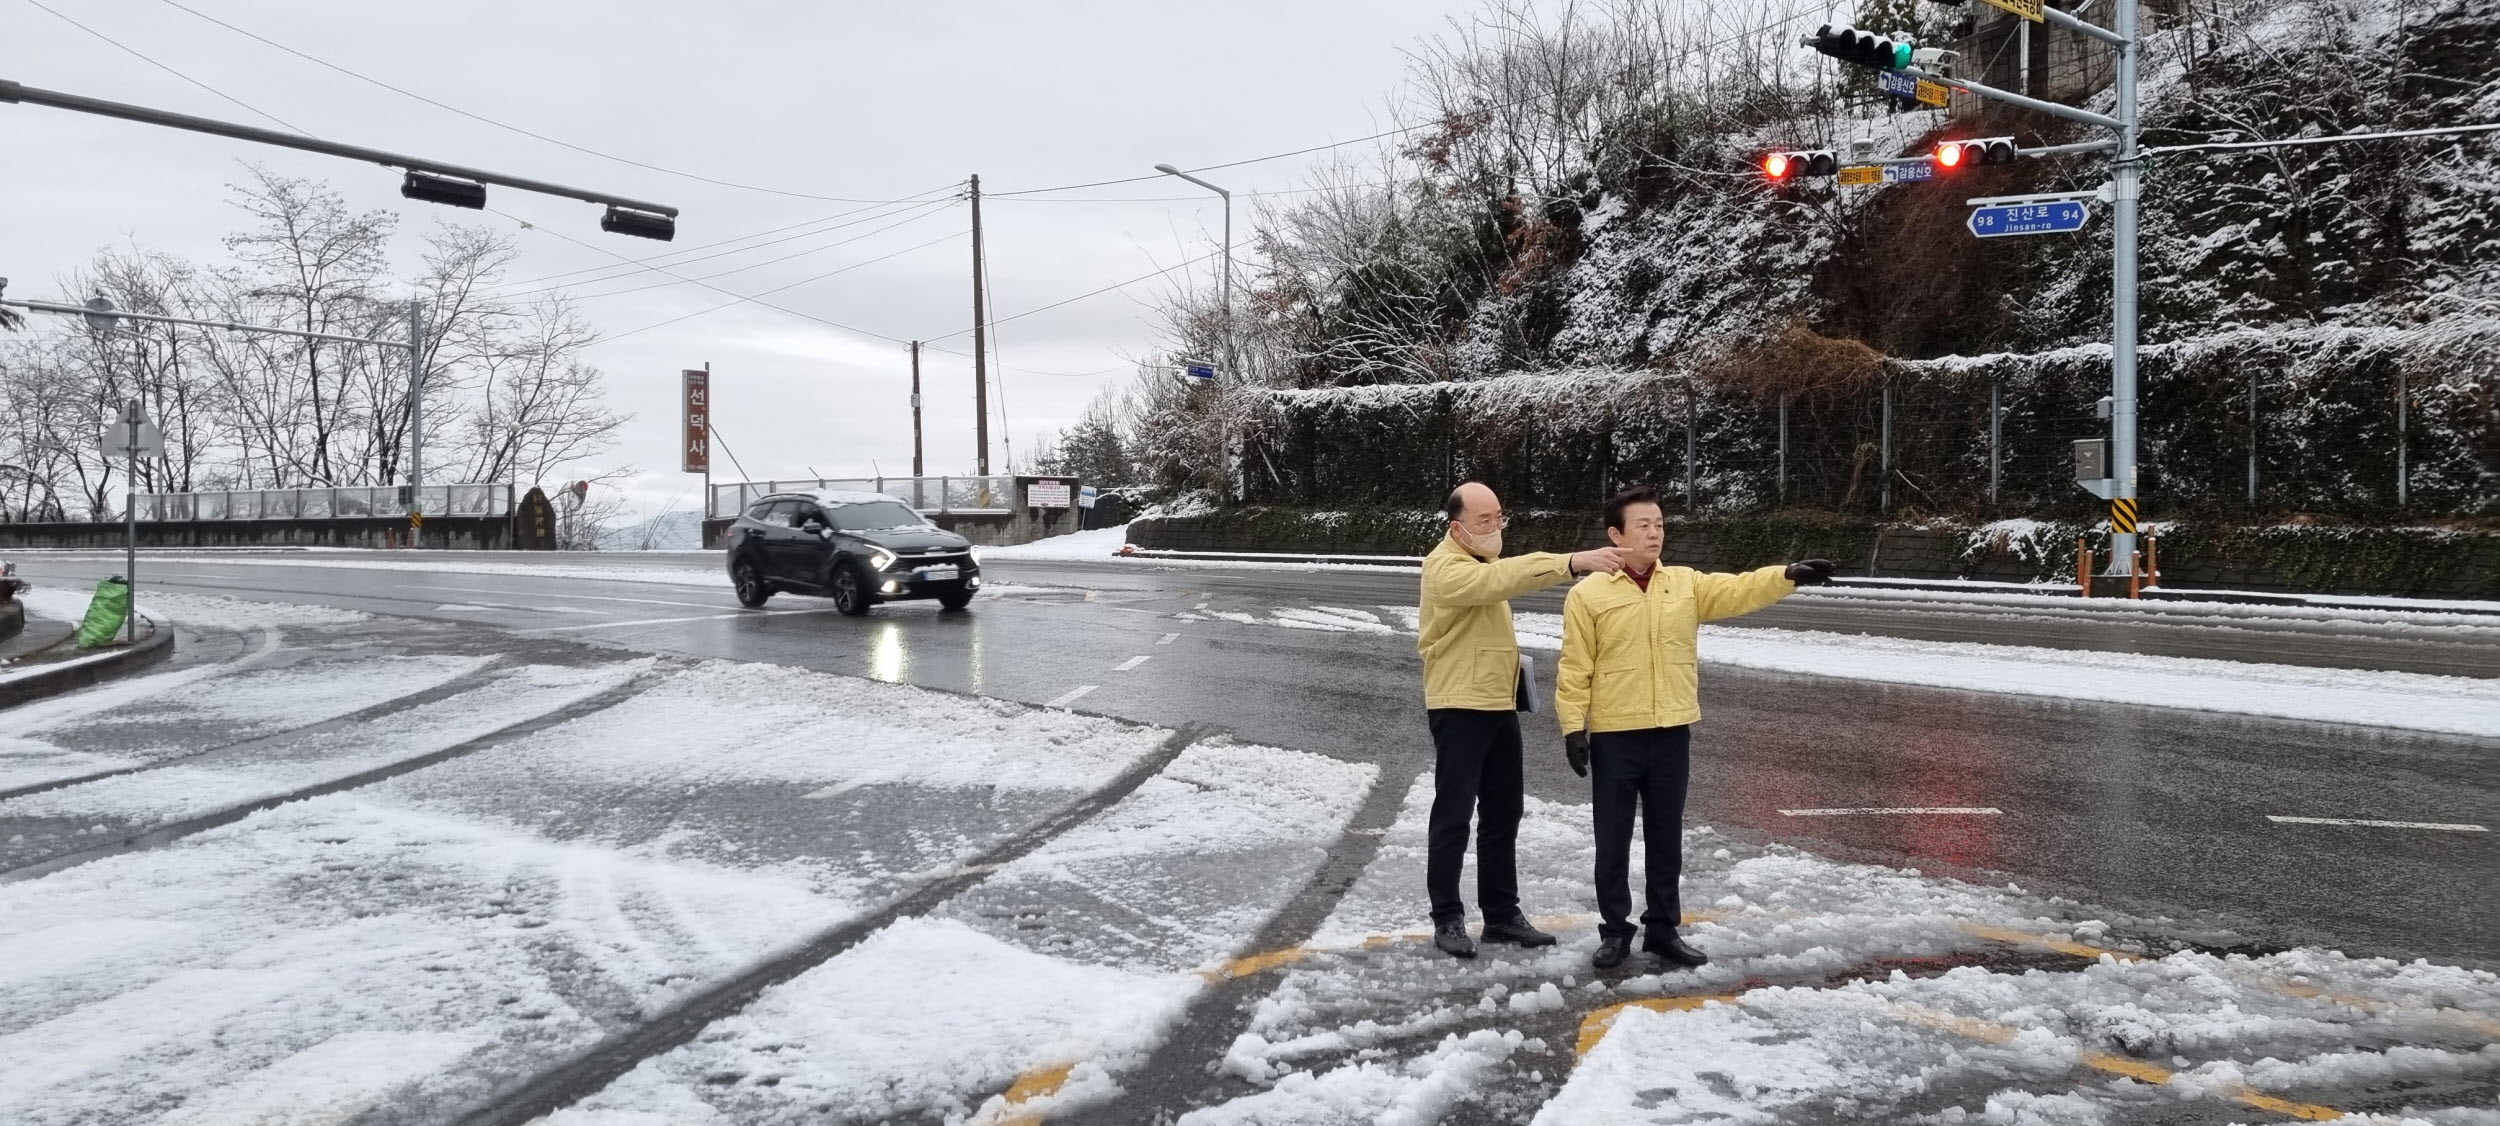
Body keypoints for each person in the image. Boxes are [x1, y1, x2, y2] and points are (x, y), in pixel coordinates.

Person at [1554, 485, 1835, 970]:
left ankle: (1663, 930)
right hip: (1616, 735)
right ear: (1615, 534)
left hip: (1671, 732)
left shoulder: (1682, 583)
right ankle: (1615, 932)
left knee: (1666, 838)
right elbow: (1575, 666)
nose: (1654, 533)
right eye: (1643, 525)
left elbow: (1737, 589)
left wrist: (1785, 575)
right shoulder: (1588, 594)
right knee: (1612, 839)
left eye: (1660, 524)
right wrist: (1572, 728)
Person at [1418, 481, 1625, 959]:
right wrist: (1572, 561)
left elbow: (1497, 584)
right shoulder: (1444, 567)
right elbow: (1502, 580)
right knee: (1453, 815)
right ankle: (1447, 917)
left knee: (1503, 813)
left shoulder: (1483, 562)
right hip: (1458, 705)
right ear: (1458, 527)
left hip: (1496, 705)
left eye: (1498, 517)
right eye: (1484, 520)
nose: (1495, 527)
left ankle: (1501, 915)